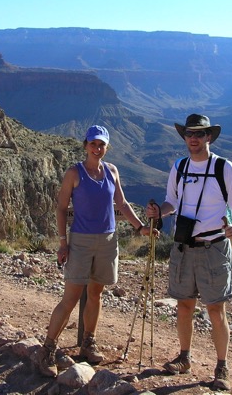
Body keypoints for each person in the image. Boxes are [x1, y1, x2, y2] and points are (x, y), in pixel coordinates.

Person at [35, 124, 158, 377]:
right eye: (93, 144)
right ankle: (47, 349)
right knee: (70, 298)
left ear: (106, 147)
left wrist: (140, 228)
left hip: (107, 240)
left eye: (101, 144)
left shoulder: (112, 171)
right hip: (80, 241)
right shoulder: (74, 173)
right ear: (86, 145)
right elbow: (61, 208)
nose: (97, 148)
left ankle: (88, 342)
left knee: (96, 294)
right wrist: (63, 243)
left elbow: (121, 203)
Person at [146, 114, 232, 391]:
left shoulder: (224, 168)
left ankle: (222, 366)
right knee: (184, 305)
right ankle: (184, 357)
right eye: (189, 133)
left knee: (216, 309)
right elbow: (172, 202)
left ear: (208, 137)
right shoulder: (179, 167)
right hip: (184, 246)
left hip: (214, 246)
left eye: (199, 134)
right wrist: (159, 212)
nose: (193, 138)